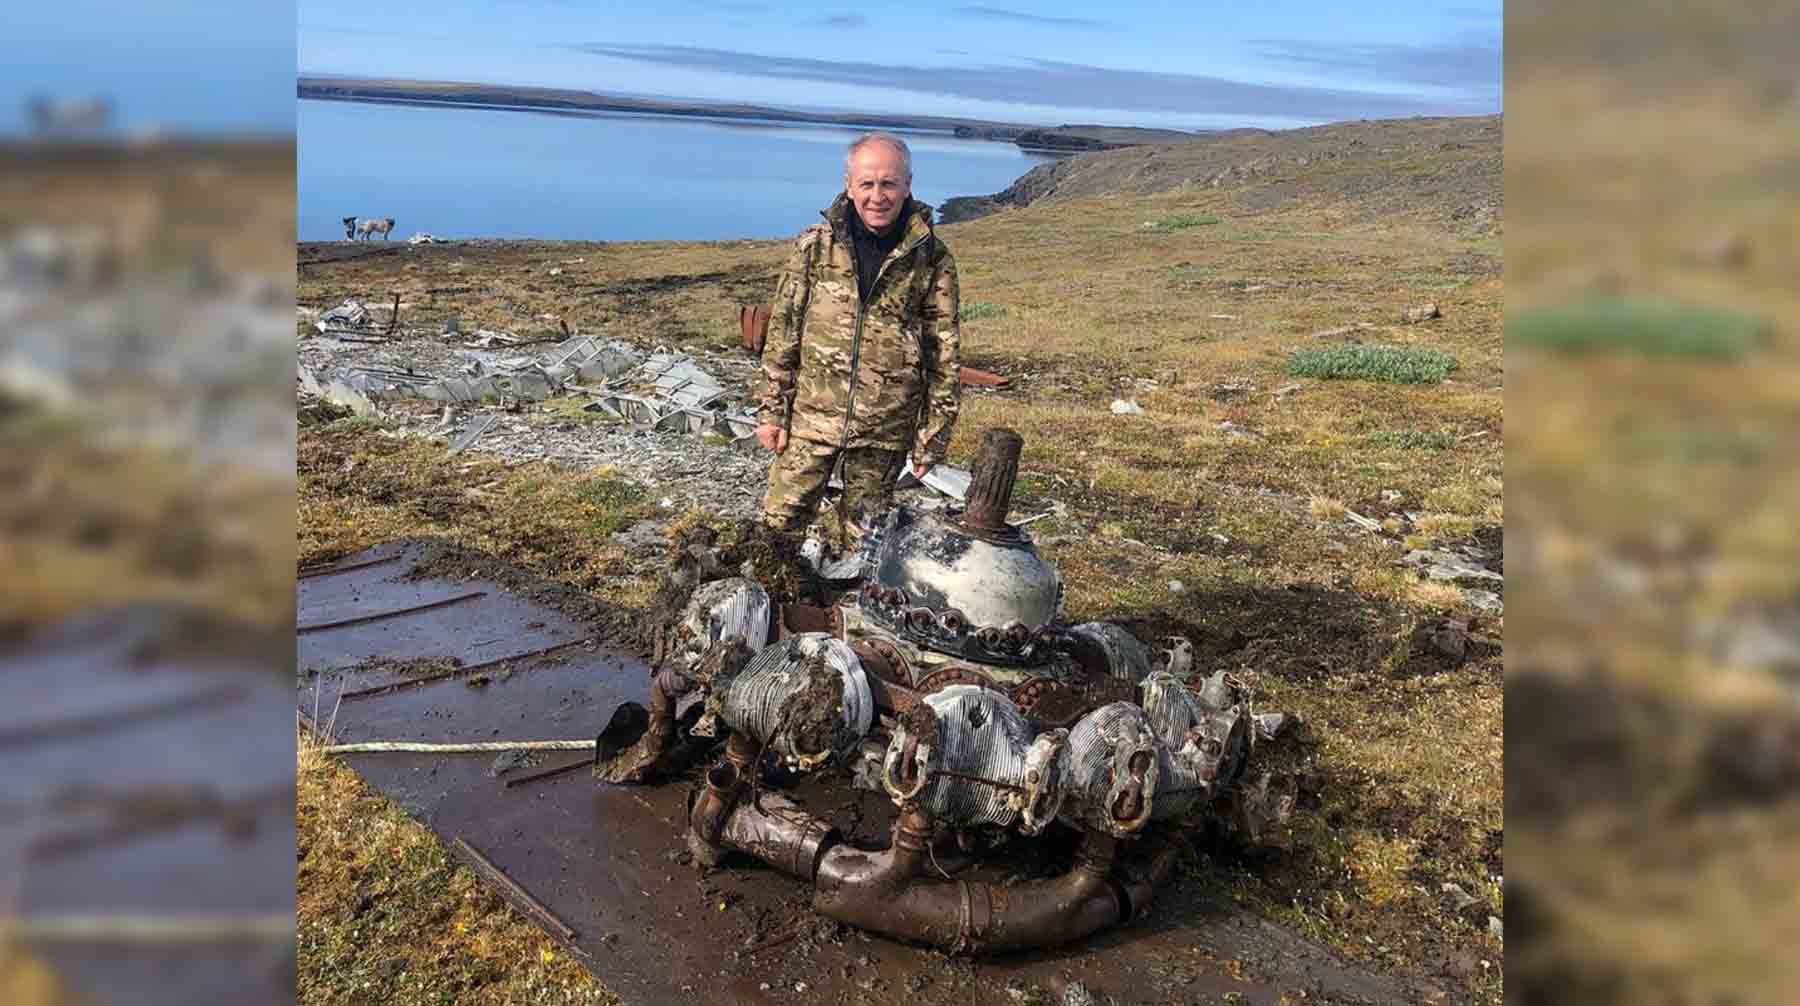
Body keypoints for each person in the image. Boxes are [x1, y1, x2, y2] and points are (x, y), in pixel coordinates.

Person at [753, 132, 962, 535]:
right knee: (775, 531)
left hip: (884, 431)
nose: (877, 196)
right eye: (867, 183)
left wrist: (932, 436)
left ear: (907, 186)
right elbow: (783, 334)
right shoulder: (814, 247)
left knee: (863, 543)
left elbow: (945, 355)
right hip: (809, 423)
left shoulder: (933, 258)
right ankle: (766, 598)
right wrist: (771, 411)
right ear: (849, 186)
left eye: (889, 183)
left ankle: (844, 599)